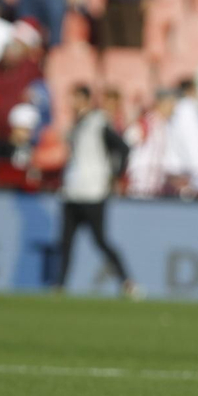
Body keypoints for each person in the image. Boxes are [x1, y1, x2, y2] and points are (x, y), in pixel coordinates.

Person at [56, 84, 138, 297]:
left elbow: (123, 148)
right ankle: (59, 286)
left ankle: (127, 282)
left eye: (74, 97)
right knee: (65, 242)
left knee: (101, 241)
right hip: (72, 190)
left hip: (93, 191)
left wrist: (115, 175)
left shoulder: (97, 122)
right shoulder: (76, 124)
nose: (71, 103)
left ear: (84, 99)